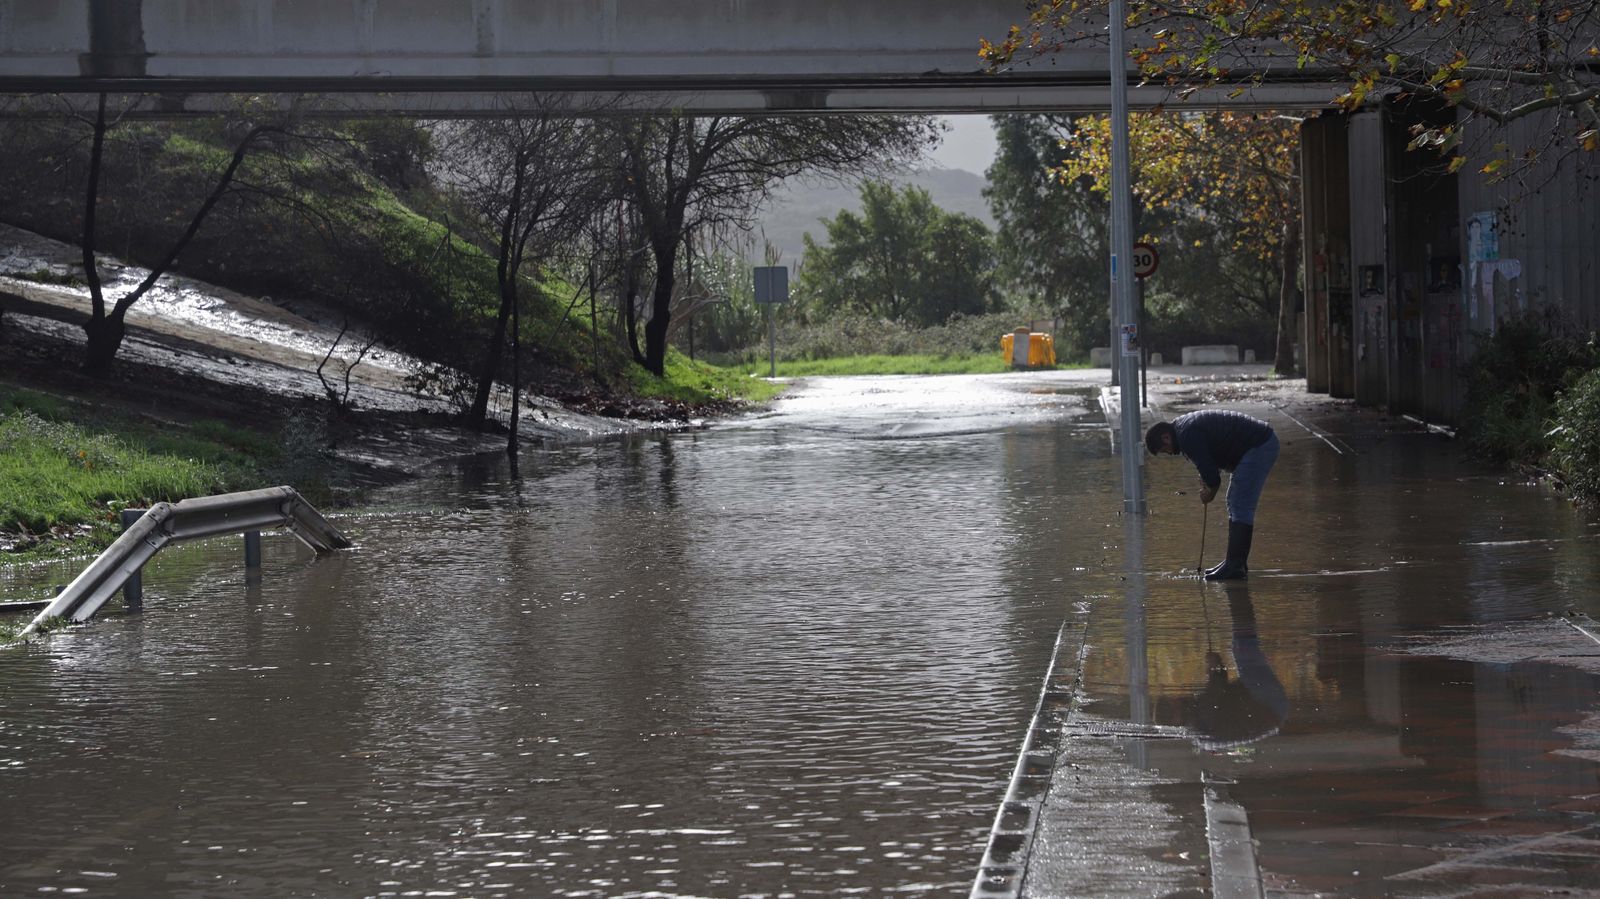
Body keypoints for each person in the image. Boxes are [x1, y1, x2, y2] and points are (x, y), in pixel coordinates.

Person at [1144, 410, 1279, 580]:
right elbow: (1208, 462)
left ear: (1165, 437)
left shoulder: (1186, 435)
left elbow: (1214, 479)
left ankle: (1235, 566)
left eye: (1165, 450)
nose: (1170, 453)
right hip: (1258, 442)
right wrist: (1207, 478)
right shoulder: (1183, 429)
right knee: (1235, 501)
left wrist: (1208, 494)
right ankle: (1234, 562)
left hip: (1259, 445)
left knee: (1239, 503)